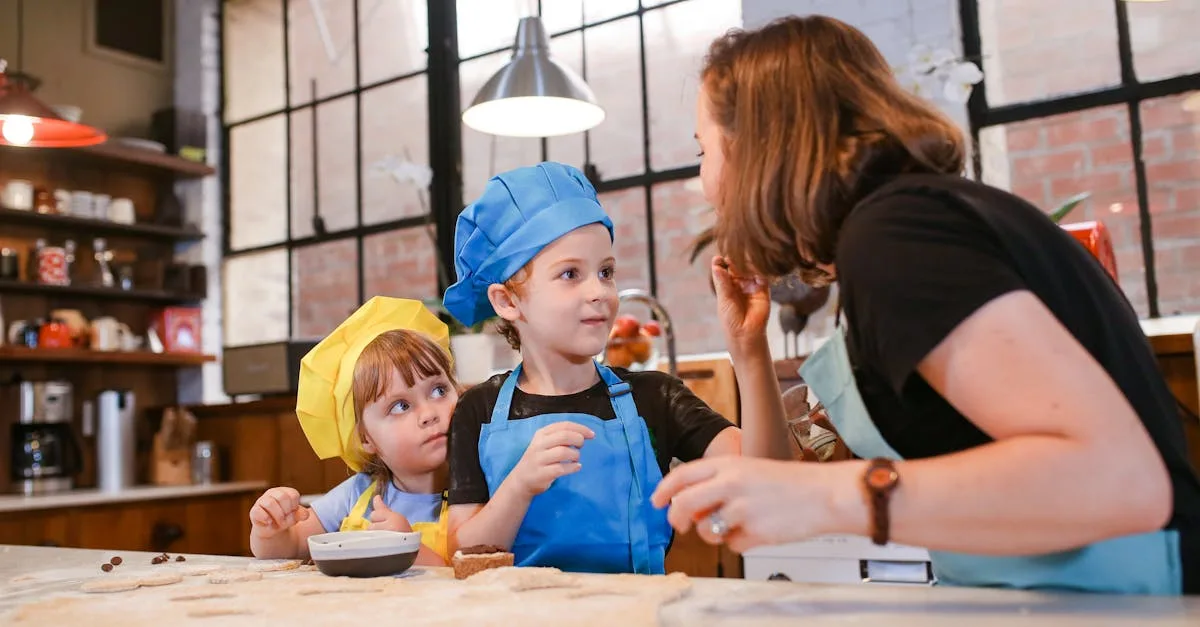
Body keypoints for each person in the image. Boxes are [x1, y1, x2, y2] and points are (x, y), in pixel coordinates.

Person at [650, 15, 1200, 595]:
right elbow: (776, 482)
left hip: (1134, 598)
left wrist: (837, 497)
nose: (704, 177)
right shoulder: (905, 230)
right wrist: (749, 351)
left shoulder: (899, 236)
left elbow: (1118, 480)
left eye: (703, 150)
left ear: (759, 148)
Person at [442, 161, 790, 575]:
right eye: (570, 274)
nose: (600, 292)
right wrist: (518, 486)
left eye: (605, 272)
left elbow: (770, 480)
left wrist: (749, 349)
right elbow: (462, 553)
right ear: (507, 302)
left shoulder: (656, 398)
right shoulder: (476, 411)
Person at [248, 297, 458, 566]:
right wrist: (270, 528)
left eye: (439, 390)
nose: (429, 414)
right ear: (365, 437)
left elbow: (475, 580)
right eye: (400, 406)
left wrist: (408, 546)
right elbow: (291, 546)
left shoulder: (480, 489)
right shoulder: (359, 493)